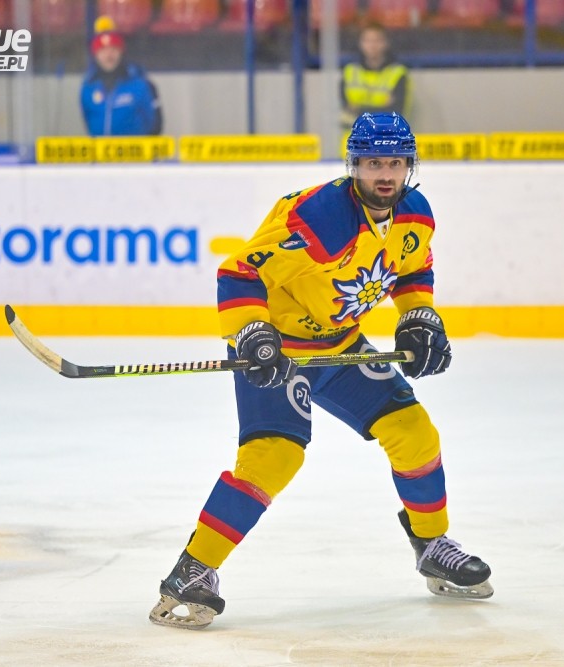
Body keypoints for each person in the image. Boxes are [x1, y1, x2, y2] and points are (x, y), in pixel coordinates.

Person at [149, 112, 493, 631]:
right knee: (274, 456)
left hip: (340, 346)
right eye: (373, 163)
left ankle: (432, 545)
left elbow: (412, 268)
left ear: (409, 166)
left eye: (395, 163)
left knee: (414, 432)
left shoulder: (415, 215)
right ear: (354, 165)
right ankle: (193, 569)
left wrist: (418, 316)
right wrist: (253, 333)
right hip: (279, 352)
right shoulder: (319, 219)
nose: (385, 174)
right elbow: (239, 272)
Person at [80, 17, 162, 137]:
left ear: (121, 51)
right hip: (100, 149)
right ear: (95, 54)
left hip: (135, 149)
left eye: (113, 49)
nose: (109, 55)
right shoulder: (88, 87)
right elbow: (88, 122)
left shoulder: (140, 84)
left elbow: (154, 125)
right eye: (103, 50)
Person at [340, 24, 411, 131]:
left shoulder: (398, 73)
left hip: (387, 137)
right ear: (360, 44)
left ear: (386, 43)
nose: (372, 45)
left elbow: (396, 113)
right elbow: (345, 111)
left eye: (377, 40)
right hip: (352, 138)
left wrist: (358, 109)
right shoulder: (350, 72)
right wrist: (382, 108)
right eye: (367, 40)